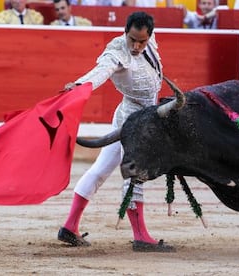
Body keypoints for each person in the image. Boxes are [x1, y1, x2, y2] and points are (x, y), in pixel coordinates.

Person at [57, 11, 175, 252]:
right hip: (130, 122)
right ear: (125, 32)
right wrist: (79, 85)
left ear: (149, 36)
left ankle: (69, 227)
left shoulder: (150, 42)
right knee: (134, 174)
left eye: (142, 41)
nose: (136, 46)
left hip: (144, 118)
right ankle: (141, 236)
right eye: (132, 39)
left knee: (100, 170)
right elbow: (101, 72)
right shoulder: (117, 52)